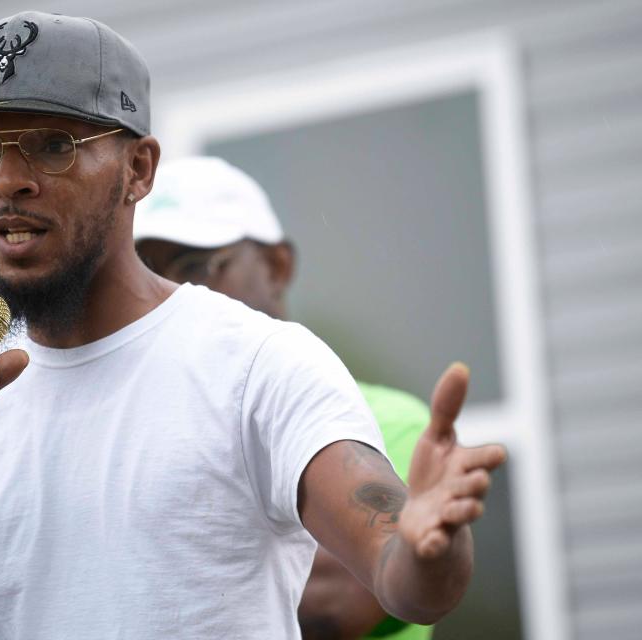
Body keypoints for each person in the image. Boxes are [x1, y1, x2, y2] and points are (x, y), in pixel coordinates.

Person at [0, 12, 506, 640]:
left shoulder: (258, 365)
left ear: (138, 169)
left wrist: (425, 548)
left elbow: (403, 575)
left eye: (52, 144)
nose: (7, 179)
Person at [134, 156, 433, 640]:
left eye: (196, 267)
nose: (176, 296)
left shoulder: (389, 420)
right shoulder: (143, 428)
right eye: (151, 275)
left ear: (277, 266)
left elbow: (340, 598)